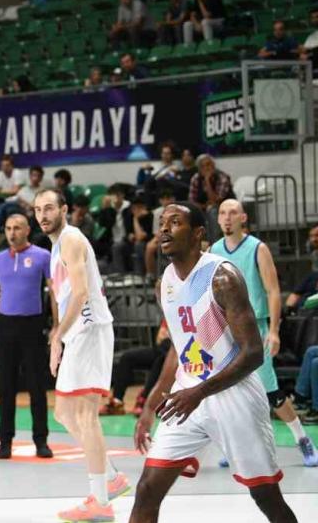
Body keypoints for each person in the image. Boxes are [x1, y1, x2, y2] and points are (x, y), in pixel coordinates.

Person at [130, 203, 298, 523]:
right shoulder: (166, 282)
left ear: (197, 234)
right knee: (147, 489)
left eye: (174, 222)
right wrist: (150, 406)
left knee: (266, 496)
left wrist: (199, 392)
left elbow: (253, 353)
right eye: (162, 222)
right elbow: (180, 347)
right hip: (187, 395)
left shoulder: (222, 278)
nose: (164, 229)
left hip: (233, 394)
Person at [34, 189, 129, 522]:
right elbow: (65, 297)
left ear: (64, 210)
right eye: (38, 210)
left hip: (90, 330)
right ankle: (112, 478)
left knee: (87, 415)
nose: (43, 215)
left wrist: (58, 336)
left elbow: (81, 293)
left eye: (49, 208)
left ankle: (100, 501)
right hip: (78, 334)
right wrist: (60, 336)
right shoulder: (56, 246)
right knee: (64, 413)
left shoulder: (72, 239)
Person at [209, 200, 317, 466]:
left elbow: (272, 291)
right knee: (231, 391)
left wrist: (274, 330)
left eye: (232, 213)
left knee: (271, 391)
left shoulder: (258, 248)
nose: (227, 217)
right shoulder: (213, 250)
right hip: (226, 329)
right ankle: (236, 447)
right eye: (222, 213)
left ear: (243, 218)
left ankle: (303, 439)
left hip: (254, 328)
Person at [0, 214, 54, 460]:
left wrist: (57, 326)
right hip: (6, 325)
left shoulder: (42, 256)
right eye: (8, 228)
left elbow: (54, 292)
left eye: (17, 228)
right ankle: (5, 441)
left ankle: (41, 440)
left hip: (32, 325)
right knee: (6, 386)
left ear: (27, 230)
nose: (12, 233)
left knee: (37, 385)